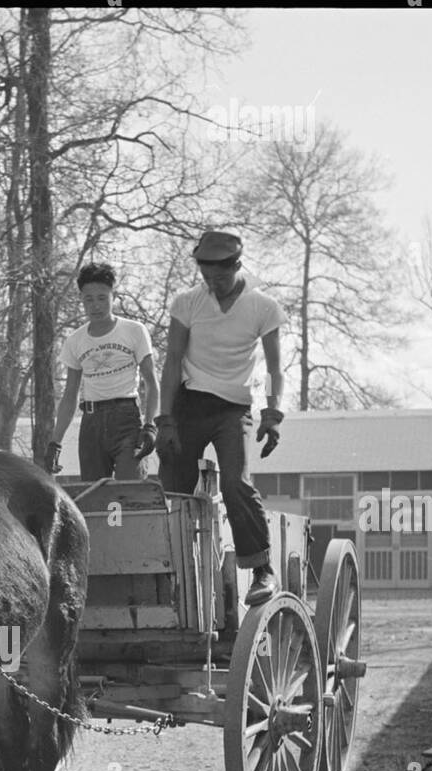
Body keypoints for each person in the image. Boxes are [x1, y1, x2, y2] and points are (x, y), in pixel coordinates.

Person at [156, 231, 286, 606]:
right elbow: (172, 360)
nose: (213, 285)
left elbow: (277, 369)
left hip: (234, 408)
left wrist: (273, 413)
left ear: (238, 266)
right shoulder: (187, 303)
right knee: (175, 487)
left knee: (235, 482)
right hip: (189, 403)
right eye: (206, 277)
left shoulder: (263, 307)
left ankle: (262, 569)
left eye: (221, 277)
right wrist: (165, 419)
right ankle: (173, 573)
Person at [45, 263, 159, 481]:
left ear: (112, 297)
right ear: (81, 300)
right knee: (93, 495)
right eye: (89, 299)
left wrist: (150, 425)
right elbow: (70, 395)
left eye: (102, 298)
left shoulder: (134, 331)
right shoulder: (75, 341)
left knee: (129, 491)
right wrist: (55, 442)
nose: (95, 306)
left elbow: (151, 382)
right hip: (91, 423)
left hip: (126, 420)